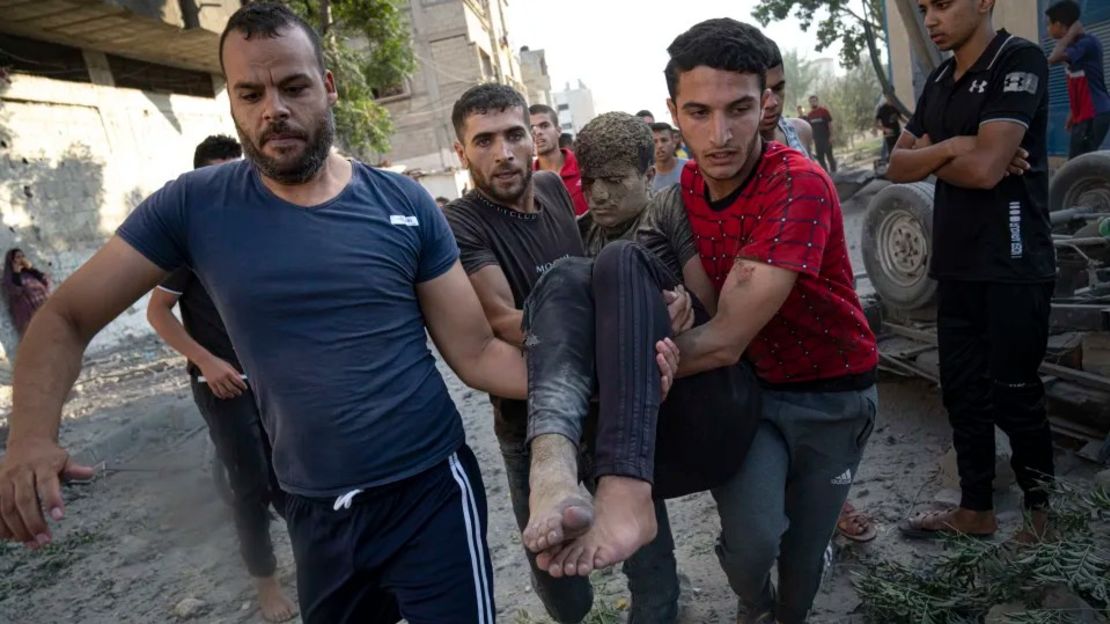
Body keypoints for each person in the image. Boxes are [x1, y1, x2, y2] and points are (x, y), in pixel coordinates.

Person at [0, 4, 551, 622]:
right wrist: (29, 438)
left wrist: (598, 377)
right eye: (250, 93)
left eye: (293, 87)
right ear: (232, 103)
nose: (273, 110)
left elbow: (477, 352)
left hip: (429, 491)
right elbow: (66, 315)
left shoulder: (403, 202)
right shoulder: (194, 206)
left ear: (328, 86)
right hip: (312, 508)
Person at [531, 21, 878, 624]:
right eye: (698, 111)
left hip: (832, 396)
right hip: (754, 397)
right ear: (673, 113)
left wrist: (620, 365)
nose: (719, 135)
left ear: (765, 104)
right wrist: (651, 323)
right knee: (751, 547)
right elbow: (680, 303)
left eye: (739, 109)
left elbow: (721, 339)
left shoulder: (798, 184)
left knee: (801, 568)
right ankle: (753, 603)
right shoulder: (683, 193)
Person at [445, 90, 689, 623]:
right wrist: (619, 364)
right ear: (461, 153)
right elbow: (506, 320)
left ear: (534, 137)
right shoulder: (462, 222)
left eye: (514, 135)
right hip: (527, 423)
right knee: (560, 581)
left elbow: (609, 280)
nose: (504, 153)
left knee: (649, 557)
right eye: (484, 141)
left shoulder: (556, 188)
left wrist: (665, 306)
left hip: (606, 420)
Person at [886, 0, 1056, 543]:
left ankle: (1042, 512)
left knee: (1015, 391)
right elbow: (896, 164)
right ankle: (976, 508)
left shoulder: (1019, 59)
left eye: (942, 4)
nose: (931, 19)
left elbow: (986, 173)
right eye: (924, 8)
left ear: (983, 1)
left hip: (1012, 259)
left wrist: (941, 154)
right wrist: (960, 143)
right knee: (962, 392)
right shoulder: (939, 79)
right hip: (955, 264)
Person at [145, 134, 296, 623]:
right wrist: (206, 362)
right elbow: (158, 311)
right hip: (222, 384)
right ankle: (266, 584)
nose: (231, 182)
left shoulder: (270, 232)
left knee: (296, 473)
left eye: (239, 170)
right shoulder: (189, 243)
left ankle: (317, 557)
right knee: (250, 484)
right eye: (217, 173)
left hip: (276, 378)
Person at [759, 38, 877, 545]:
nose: (768, 102)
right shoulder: (723, 153)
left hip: (819, 287)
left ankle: (833, 504)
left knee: (827, 425)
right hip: (760, 300)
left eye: (778, 88)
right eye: (756, 91)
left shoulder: (798, 133)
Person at [1046, 0, 1110, 158]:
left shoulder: (1087, 43)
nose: (1048, 29)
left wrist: (1069, 34)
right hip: (1085, 114)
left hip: (1095, 113)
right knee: (1078, 163)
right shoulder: (1074, 46)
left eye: (1050, 24)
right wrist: (1074, 111)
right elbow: (1079, 82)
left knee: (1079, 163)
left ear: (1060, 25)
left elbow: (1053, 58)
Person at [529, 103, 589, 216]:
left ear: (558, 130)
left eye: (544, 125)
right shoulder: (526, 179)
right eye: (531, 128)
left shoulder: (584, 164)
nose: (537, 132)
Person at [758, 39, 814, 157]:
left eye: (778, 88)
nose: (772, 103)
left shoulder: (801, 131)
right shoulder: (729, 152)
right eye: (762, 92)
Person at [2, 248, 51, 337]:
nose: (21, 259)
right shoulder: (9, 278)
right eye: (18, 257)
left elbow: (46, 282)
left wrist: (32, 269)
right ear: (11, 261)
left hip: (45, 309)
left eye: (22, 256)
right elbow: (16, 291)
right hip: (29, 316)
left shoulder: (31, 273)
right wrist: (16, 273)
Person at [650, 122, 688, 192]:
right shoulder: (647, 177)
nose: (659, 146)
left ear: (673, 143)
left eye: (664, 140)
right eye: (655, 142)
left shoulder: (689, 168)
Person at [805, 94, 837, 173]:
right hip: (817, 140)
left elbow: (830, 124)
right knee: (820, 158)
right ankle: (826, 173)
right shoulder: (809, 115)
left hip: (826, 138)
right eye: (811, 102)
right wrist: (810, 140)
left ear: (817, 101)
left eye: (814, 101)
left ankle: (835, 172)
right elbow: (810, 128)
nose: (813, 103)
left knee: (830, 156)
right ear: (810, 103)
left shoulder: (824, 111)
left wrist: (832, 136)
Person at [874, 93, 903, 161]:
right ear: (886, 97)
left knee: (901, 151)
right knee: (893, 154)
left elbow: (901, 118)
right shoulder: (882, 109)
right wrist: (885, 129)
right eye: (889, 97)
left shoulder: (895, 107)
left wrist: (910, 121)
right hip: (889, 136)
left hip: (897, 133)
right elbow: (876, 124)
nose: (890, 98)